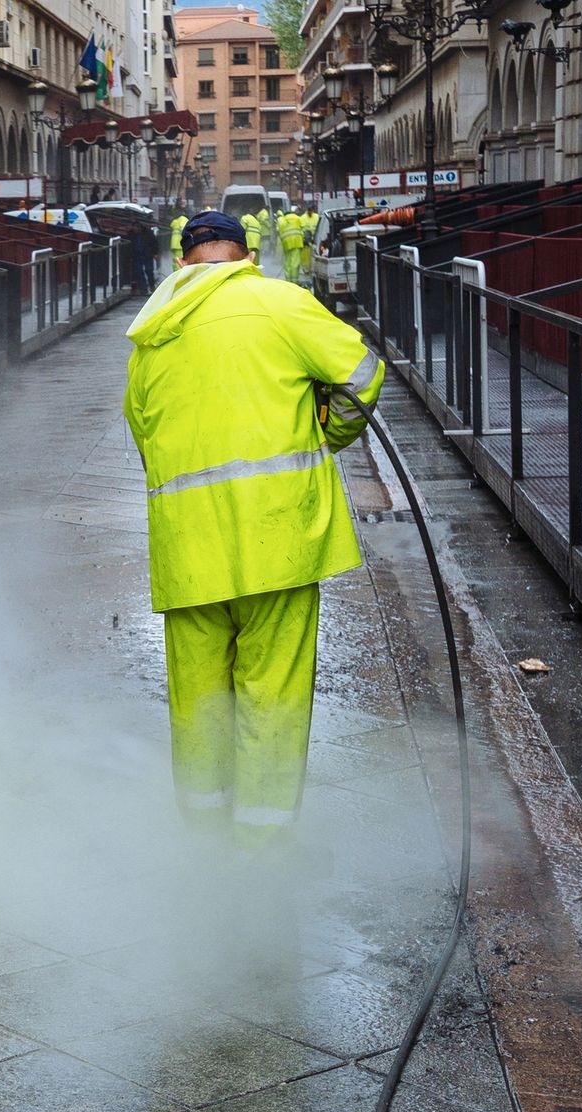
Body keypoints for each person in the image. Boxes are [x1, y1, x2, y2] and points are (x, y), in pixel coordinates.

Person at [121, 211, 384, 852]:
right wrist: (329, 433)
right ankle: (263, 842)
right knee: (272, 689)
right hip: (279, 539)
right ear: (247, 254)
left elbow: (143, 428)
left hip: (188, 548)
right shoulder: (278, 302)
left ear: (183, 262)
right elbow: (361, 375)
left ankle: (204, 831)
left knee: (198, 698)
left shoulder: (151, 333)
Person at [132, 219, 159, 292]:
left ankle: (151, 285)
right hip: (137, 255)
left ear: (139, 227)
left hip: (147, 254)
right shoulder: (133, 234)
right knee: (139, 272)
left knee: (149, 270)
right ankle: (143, 288)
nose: (135, 230)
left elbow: (154, 243)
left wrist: (155, 253)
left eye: (136, 228)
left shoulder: (148, 233)